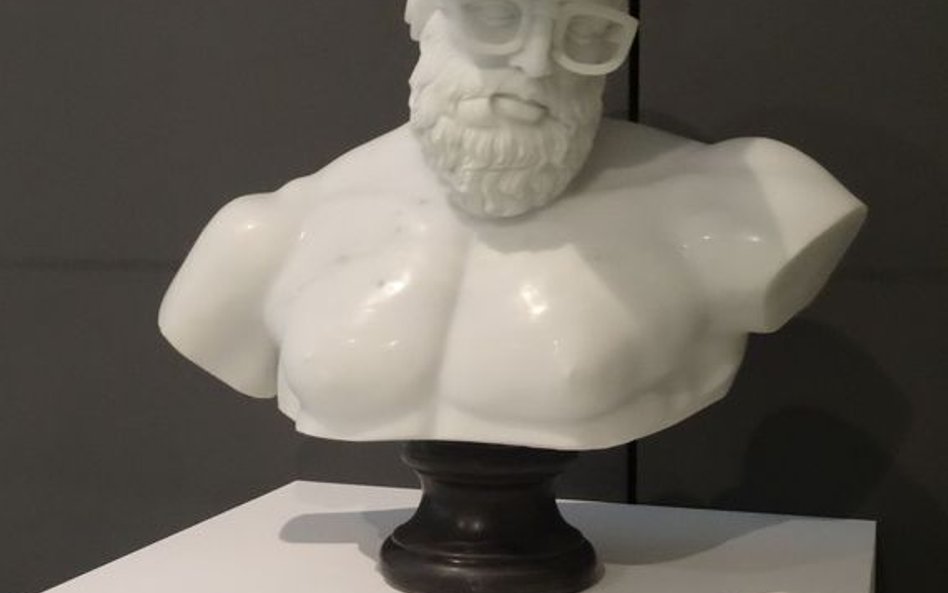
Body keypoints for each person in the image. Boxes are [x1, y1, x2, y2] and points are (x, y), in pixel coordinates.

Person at [159, 0, 866, 450]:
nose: (533, 62)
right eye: (498, 13)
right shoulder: (269, 235)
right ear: (422, 14)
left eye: (584, 31)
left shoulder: (746, 207)